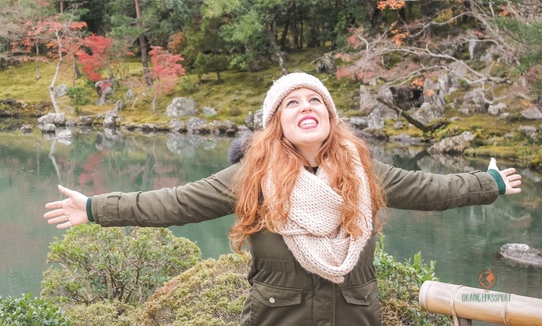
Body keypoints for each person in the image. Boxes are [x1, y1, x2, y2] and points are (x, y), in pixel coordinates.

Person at [44, 72, 522, 325]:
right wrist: (93, 208)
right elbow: (174, 202)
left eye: (315, 101)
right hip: (279, 317)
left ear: (330, 117)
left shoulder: (363, 172)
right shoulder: (250, 175)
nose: (306, 108)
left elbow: (430, 189)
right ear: (276, 123)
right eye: (291, 103)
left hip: (354, 316)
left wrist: (489, 183)